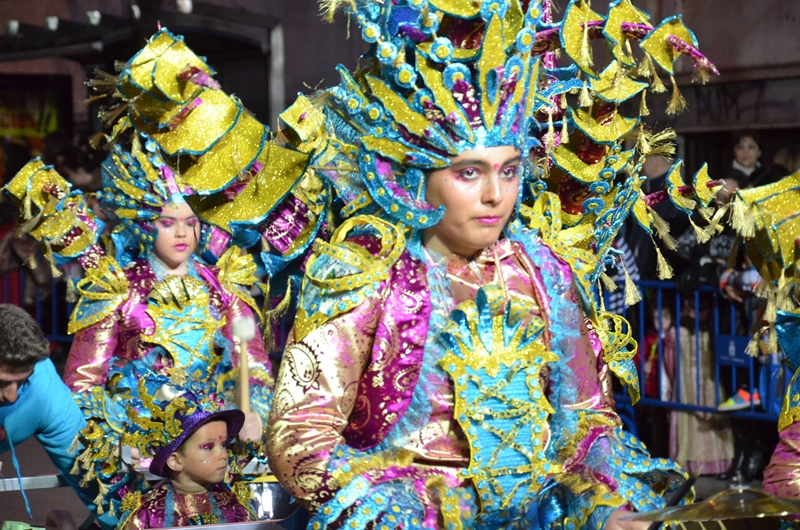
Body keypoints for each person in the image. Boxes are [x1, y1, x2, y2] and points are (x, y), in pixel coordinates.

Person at [266, 1, 719, 528]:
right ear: (417, 175)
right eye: (468, 173)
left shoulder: (545, 274)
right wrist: (407, 512)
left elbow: (588, 424)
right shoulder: (368, 273)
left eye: (508, 171)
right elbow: (301, 437)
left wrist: (598, 509)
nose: (494, 196)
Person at [0, 303, 115, 528]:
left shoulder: (43, 389)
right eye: (2, 382)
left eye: (22, 381)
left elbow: (92, 470)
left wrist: (146, 518)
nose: (13, 396)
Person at [116, 375, 255, 528]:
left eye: (223, 445)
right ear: (175, 461)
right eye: (208, 447)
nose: (223, 454)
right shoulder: (148, 514)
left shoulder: (234, 507)